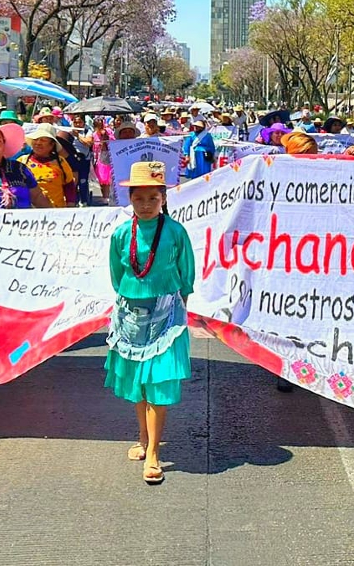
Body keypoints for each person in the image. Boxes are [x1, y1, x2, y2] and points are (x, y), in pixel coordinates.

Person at [107, 161, 195, 485]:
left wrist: (182, 301)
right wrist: (129, 299)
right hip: (131, 313)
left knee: (157, 383)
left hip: (165, 315)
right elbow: (117, 275)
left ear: (163, 199)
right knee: (138, 383)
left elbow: (187, 270)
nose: (145, 206)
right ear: (130, 199)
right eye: (139, 199)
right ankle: (143, 438)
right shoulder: (120, 234)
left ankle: (155, 452)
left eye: (152, 199)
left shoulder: (175, 232)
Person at [18, 123, 77, 208]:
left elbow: (69, 185)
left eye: (43, 140)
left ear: (52, 144)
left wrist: (70, 206)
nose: (38, 143)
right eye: (36, 139)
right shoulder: (21, 162)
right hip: (29, 214)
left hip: (56, 212)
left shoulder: (60, 162)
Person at [90, 117, 115, 202]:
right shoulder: (94, 135)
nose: (100, 127)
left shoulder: (108, 131)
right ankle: (104, 196)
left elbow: (113, 141)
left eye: (101, 125)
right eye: (97, 126)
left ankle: (108, 196)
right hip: (98, 158)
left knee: (107, 178)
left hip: (107, 156)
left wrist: (105, 137)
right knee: (101, 178)